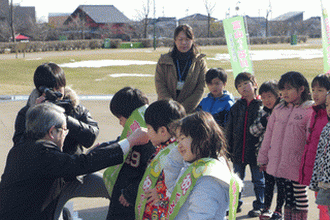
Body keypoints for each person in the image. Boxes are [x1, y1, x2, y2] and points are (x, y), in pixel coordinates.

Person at [0, 102, 149, 220]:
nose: (66, 134)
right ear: (52, 132)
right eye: (65, 130)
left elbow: (74, 164)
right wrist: (130, 141)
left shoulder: (21, 149)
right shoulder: (43, 153)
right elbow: (83, 164)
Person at [11, 62, 105, 219]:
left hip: (76, 173)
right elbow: (20, 148)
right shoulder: (28, 113)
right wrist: (38, 115)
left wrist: (64, 118)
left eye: (59, 89)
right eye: (50, 90)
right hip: (49, 184)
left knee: (112, 187)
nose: (56, 94)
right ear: (39, 91)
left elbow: (91, 136)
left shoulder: (74, 106)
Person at [164, 111, 242, 219]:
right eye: (177, 141)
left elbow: (200, 216)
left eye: (182, 138)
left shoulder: (208, 180)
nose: (178, 146)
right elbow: (173, 189)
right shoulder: (195, 168)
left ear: (201, 138)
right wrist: (179, 151)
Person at [258, 71, 314, 219]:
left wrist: (308, 164)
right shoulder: (279, 109)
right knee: (288, 199)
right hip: (279, 163)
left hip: (297, 165)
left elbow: (311, 140)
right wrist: (263, 158)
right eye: (282, 89)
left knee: (299, 198)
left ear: (301, 89)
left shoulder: (309, 110)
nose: (284, 92)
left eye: (288, 88)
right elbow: (268, 135)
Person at [103, 87, 156, 219]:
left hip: (131, 200)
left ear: (131, 116)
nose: (120, 123)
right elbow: (118, 142)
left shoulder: (150, 140)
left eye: (120, 118)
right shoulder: (131, 135)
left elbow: (152, 173)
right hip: (120, 196)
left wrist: (131, 192)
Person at [135, 99, 186, 220]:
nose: (147, 133)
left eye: (149, 129)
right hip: (156, 209)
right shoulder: (165, 147)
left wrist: (161, 192)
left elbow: (182, 177)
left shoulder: (178, 150)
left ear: (162, 131)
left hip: (162, 211)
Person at [225, 72, 265, 217]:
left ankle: (260, 205)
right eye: (239, 86)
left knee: (259, 181)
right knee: (236, 181)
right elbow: (229, 129)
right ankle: (235, 204)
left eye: (246, 83)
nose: (243, 88)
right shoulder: (236, 107)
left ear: (254, 84)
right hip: (237, 151)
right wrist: (227, 148)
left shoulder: (262, 106)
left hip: (256, 152)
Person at [249, 80, 284, 220]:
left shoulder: (284, 110)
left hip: (281, 154)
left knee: (281, 183)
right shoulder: (262, 112)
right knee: (269, 183)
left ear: (278, 95)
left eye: (269, 96)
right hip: (266, 155)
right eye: (263, 97)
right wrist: (263, 122)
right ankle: (266, 208)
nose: (266, 100)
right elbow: (252, 131)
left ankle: (278, 210)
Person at [155, 24, 207, 113]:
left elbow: (201, 87)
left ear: (192, 41)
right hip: (167, 110)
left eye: (187, 39)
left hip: (190, 112)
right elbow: (160, 85)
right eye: (180, 39)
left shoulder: (199, 61)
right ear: (175, 40)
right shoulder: (164, 60)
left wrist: (182, 109)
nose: (184, 43)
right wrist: (172, 107)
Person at [300, 74, 330, 220]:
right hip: (317, 172)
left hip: (326, 175)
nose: (315, 94)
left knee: (325, 207)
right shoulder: (315, 112)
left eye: (320, 90)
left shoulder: (326, 116)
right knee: (321, 205)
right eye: (313, 89)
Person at [310, 91, 330, 219]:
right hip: (326, 183)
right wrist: (316, 180)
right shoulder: (326, 128)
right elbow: (320, 157)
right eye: (327, 105)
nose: (329, 109)